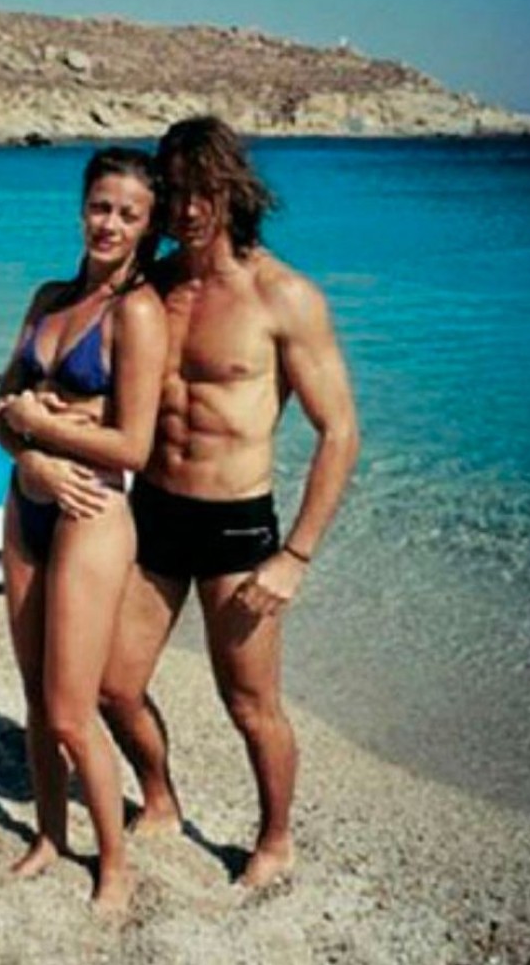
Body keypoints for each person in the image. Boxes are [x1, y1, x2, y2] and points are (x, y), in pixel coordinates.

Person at [95, 116, 361, 888]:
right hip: (153, 512)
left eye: (202, 191)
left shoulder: (285, 297)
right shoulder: (152, 287)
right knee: (113, 686)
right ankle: (160, 797)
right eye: (174, 191)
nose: (186, 209)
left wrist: (296, 555)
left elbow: (340, 432)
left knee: (250, 705)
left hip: (237, 526)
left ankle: (274, 841)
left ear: (235, 190)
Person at [0, 147, 167, 914]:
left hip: (92, 511)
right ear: (82, 207)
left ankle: (115, 863)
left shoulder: (139, 314)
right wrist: (30, 454)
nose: (110, 225)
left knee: (70, 708)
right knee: (35, 697)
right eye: (101, 207)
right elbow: (0, 410)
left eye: (129, 214)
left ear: (148, 226)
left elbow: (134, 446)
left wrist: (42, 426)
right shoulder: (48, 298)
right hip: (26, 500)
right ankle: (50, 836)